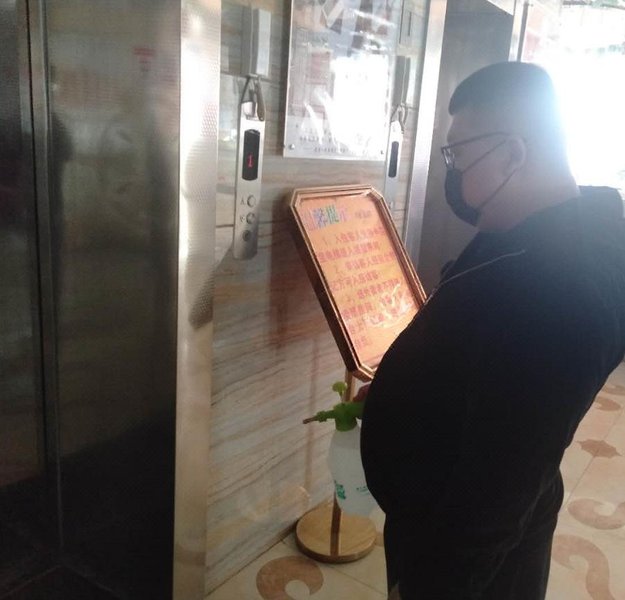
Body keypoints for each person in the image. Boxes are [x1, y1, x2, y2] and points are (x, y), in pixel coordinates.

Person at [359, 61, 625, 599]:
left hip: (459, 548)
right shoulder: (526, 228)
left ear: (512, 154)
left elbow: (496, 493)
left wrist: (429, 589)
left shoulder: (563, 291)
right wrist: (401, 394)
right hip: (435, 503)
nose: (452, 173)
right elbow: (483, 358)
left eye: (458, 155)